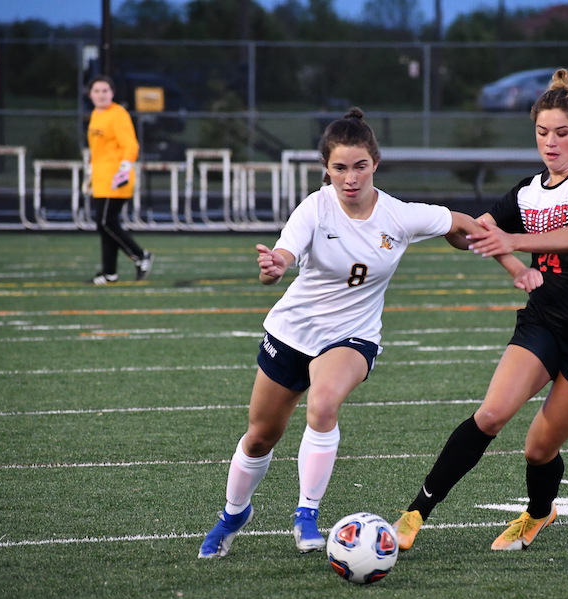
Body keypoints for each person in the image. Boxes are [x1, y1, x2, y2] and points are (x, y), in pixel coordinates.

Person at [198, 107, 525, 559]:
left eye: (359, 166)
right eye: (339, 168)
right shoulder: (314, 207)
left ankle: (306, 514)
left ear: (376, 163)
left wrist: (513, 265)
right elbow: (284, 254)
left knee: (324, 401)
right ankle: (234, 513)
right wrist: (275, 266)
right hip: (293, 331)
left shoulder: (399, 215)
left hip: (353, 336)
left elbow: (463, 224)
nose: (350, 178)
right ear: (325, 169)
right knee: (260, 436)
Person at [392, 68, 568, 552]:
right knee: (490, 414)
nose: (551, 143)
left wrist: (508, 240)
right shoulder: (527, 191)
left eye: (562, 133)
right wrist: (446, 224)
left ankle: (538, 512)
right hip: (545, 322)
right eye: (542, 132)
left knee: (538, 448)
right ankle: (414, 513)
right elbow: (472, 236)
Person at [85, 75, 153, 285]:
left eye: (105, 91)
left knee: (105, 222)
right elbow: (99, 151)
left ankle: (141, 256)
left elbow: (130, 144)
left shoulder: (118, 113)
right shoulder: (96, 114)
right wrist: (90, 173)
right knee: (106, 225)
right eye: (97, 91)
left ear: (112, 93)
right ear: (90, 94)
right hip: (100, 178)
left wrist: (124, 168)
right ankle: (109, 273)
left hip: (116, 178)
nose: (101, 95)